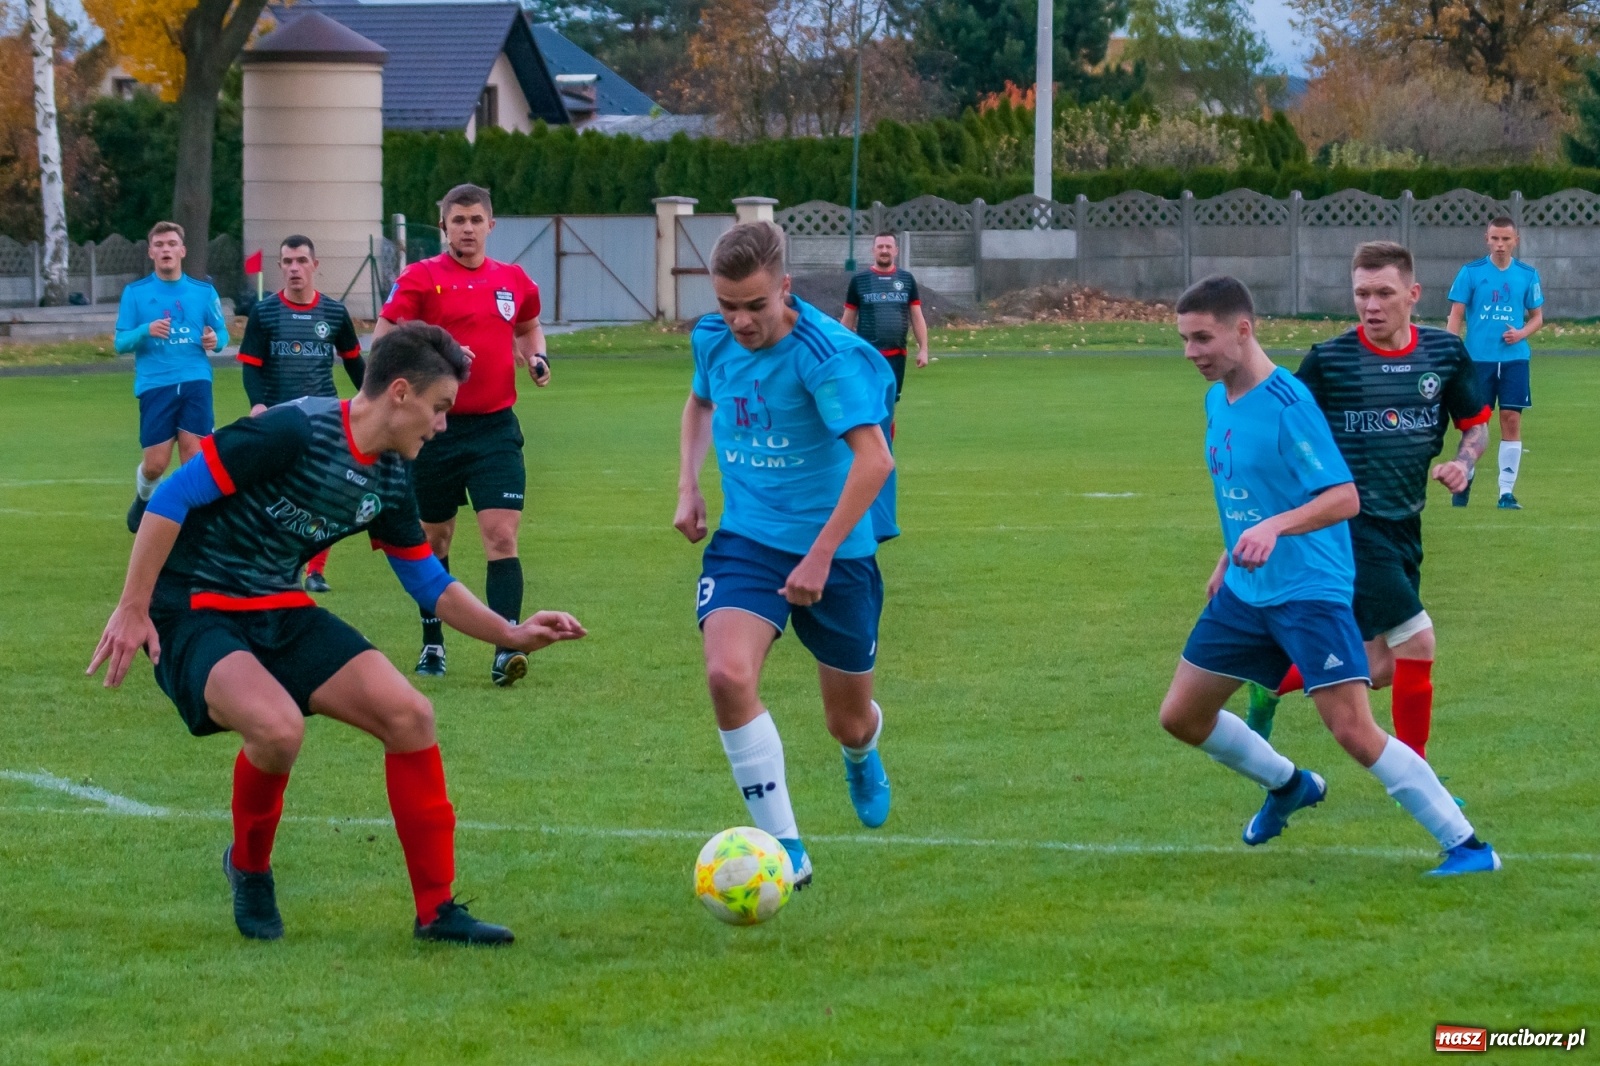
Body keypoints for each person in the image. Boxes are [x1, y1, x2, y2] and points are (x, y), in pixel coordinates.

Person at [88, 323, 587, 944]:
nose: (441, 426)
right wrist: (133, 607)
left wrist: (510, 633)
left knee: (410, 715)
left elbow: (431, 586)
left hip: (278, 604)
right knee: (277, 729)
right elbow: (172, 497)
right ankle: (249, 868)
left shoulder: (391, 479)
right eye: (438, 409)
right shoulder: (292, 430)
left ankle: (436, 912)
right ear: (400, 393)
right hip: (193, 607)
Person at [1163, 274, 1499, 877]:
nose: (1192, 353)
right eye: (1186, 340)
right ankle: (1288, 784)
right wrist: (1228, 551)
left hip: (1309, 592)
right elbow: (1246, 492)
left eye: (1202, 338)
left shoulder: (1291, 406)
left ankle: (1469, 847)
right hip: (1247, 590)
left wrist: (1274, 530)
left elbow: (1343, 497)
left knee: (1353, 730)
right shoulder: (1219, 399)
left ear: (1243, 329)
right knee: (1183, 716)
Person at [675, 222, 898, 888]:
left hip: (837, 554)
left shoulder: (823, 354)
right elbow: (699, 402)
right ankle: (785, 847)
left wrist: (821, 555)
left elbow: (874, 460)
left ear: (786, 289)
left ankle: (863, 755)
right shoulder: (712, 338)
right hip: (747, 542)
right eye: (727, 305)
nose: (740, 321)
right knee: (727, 676)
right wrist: (688, 484)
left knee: (847, 721)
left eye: (755, 305)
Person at [1246, 243, 1490, 763]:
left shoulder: (1444, 355)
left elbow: (1477, 426)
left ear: (1413, 294)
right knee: (1418, 642)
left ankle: (1268, 681)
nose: (1371, 305)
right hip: (1348, 525)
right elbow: (1280, 431)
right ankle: (1418, 778)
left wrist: (1462, 464)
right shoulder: (1330, 360)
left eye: (1383, 293)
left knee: (1380, 668)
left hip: (1405, 525)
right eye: (1361, 293)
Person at [376, 183, 549, 686]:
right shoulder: (421, 278)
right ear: (444, 226)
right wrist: (438, 353)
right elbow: (385, 340)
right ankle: (433, 642)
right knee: (435, 536)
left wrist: (537, 356)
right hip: (435, 431)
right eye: (458, 221)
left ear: (490, 225)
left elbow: (528, 326)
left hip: (496, 429)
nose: (467, 229)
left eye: (476, 220)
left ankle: (506, 648)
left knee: (501, 535)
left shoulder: (513, 280)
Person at [236, 234, 366, 593]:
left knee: (324, 493)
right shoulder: (264, 313)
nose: (294, 268)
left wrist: (374, 399)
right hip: (279, 416)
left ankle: (315, 571)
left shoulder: (334, 313)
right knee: (277, 491)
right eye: (288, 262)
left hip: (324, 416)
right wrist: (258, 403)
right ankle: (273, 564)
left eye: (301, 261)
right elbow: (251, 366)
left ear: (315, 265)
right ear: (279, 267)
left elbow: (355, 364)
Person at [116, 221, 230, 534]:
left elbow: (221, 332)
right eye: (160, 244)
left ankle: (190, 522)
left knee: (194, 455)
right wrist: (144, 330)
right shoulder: (136, 294)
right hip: (156, 383)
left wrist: (214, 341)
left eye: (171, 244)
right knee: (156, 464)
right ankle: (144, 498)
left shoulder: (203, 291)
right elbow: (119, 343)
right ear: (151, 252)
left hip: (195, 379)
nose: (166, 249)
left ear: (182, 250)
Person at [1446, 216, 1544, 509]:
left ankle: (1505, 492)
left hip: (1514, 361)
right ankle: (1466, 474)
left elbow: (1537, 317)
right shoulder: (1471, 273)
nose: (1500, 245)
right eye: (1495, 239)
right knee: (1476, 425)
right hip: (1478, 361)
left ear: (1516, 241)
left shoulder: (1527, 274)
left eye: (1506, 239)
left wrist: (1522, 333)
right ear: (1486, 239)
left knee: (1511, 420)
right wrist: (1450, 350)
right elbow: (1456, 315)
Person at [840, 232, 930, 405]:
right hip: (868, 354)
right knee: (869, 404)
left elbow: (917, 317)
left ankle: (887, 433)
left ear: (896, 250)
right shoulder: (859, 281)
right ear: (873, 250)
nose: (884, 250)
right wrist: (841, 351)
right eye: (880, 246)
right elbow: (847, 321)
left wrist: (923, 349)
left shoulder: (906, 279)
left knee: (890, 405)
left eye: (888, 247)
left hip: (897, 354)